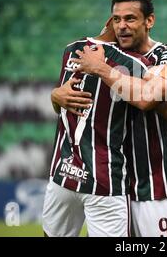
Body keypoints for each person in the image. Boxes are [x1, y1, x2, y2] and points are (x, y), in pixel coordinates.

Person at [62, 0, 167, 236]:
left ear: (149, 21)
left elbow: (154, 103)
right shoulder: (104, 54)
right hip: (112, 188)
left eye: (130, 18)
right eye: (117, 19)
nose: (122, 26)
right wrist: (55, 97)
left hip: (156, 183)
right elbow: (71, 100)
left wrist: (103, 70)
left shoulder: (166, 56)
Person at [42, 17, 152, 237]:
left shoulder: (72, 49)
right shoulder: (135, 64)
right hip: (104, 180)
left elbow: (62, 103)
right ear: (113, 21)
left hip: (63, 174)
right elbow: (149, 100)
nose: (126, 27)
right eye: (123, 20)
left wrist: (54, 96)